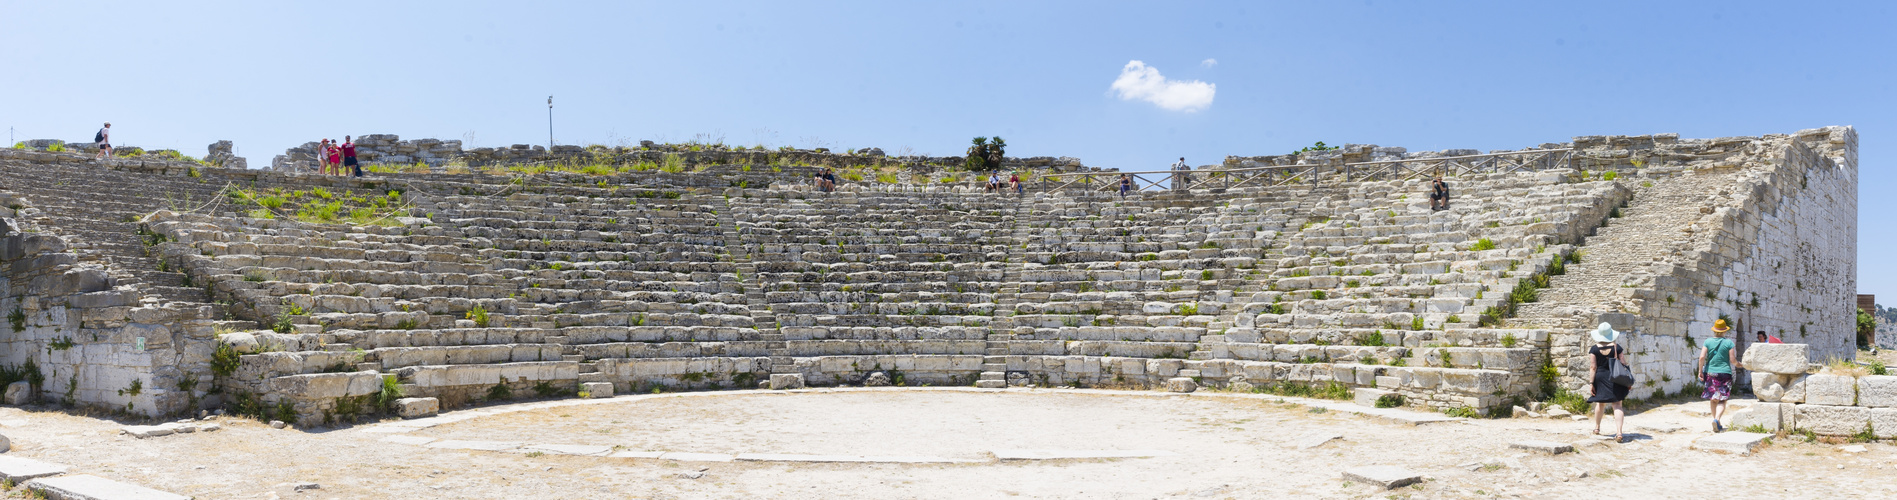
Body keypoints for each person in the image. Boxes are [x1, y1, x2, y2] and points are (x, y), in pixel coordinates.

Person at [1586, 322, 1630, 441]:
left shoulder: (1594, 349)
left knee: (1600, 404)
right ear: (1611, 334)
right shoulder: (1617, 347)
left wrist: (1591, 383)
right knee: (1617, 405)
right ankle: (1619, 433)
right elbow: (1623, 364)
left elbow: (1593, 367)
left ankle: (1597, 428)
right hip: (1615, 378)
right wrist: (1627, 382)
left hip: (1600, 377)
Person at [1699, 319, 1739, 432]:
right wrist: (1739, 365)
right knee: (1722, 399)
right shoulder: (1729, 343)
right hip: (1725, 373)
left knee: (1713, 398)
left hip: (1711, 372)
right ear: (1725, 331)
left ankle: (1715, 420)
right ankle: (1717, 419)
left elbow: (1702, 357)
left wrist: (1700, 371)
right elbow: (1732, 360)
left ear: (1714, 330)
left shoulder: (1707, 342)